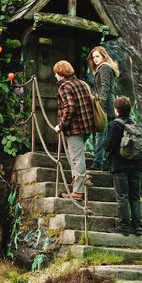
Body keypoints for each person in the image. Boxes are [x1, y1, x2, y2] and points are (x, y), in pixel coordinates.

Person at [104, 96, 142, 235]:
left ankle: (124, 226)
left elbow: (108, 145)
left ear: (117, 110)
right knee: (134, 196)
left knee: (122, 196)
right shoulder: (138, 126)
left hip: (120, 165)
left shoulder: (114, 125)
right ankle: (138, 226)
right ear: (129, 110)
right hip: (136, 165)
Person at [53, 60, 95, 201]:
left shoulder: (64, 86)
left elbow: (70, 107)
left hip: (75, 128)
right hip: (86, 126)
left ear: (61, 73)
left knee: (77, 158)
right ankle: (76, 179)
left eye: (56, 73)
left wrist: (61, 125)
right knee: (73, 155)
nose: (55, 76)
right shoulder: (82, 83)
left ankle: (78, 192)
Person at [87, 46, 120, 171]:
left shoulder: (105, 67)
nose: (95, 59)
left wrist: (101, 103)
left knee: (101, 135)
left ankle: (98, 163)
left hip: (105, 105)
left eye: (97, 56)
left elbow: (105, 86)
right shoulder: (104, 67)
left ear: (104, 56)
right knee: (106, 135)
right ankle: (107, 163)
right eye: (93, 57)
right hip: (108, 104)